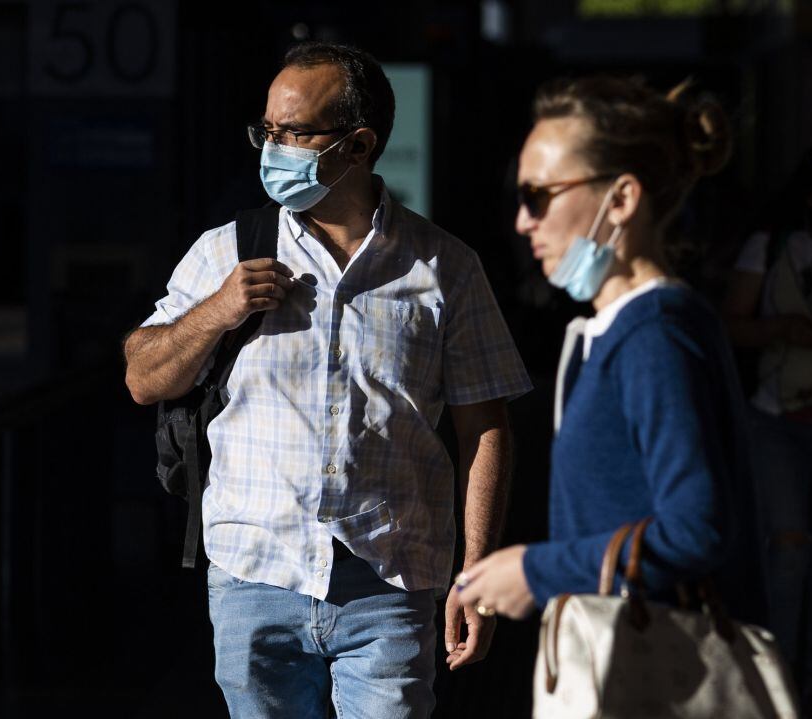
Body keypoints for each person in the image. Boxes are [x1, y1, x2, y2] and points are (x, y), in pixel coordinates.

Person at [123, 42, 531, 718]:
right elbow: (142, 376)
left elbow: (485, 427)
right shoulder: (228, 249)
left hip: (389, 581)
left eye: (293, 132)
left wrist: (477, 575)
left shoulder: (445, 268)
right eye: (267, 130)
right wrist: (219, 310)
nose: (271, 148)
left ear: (358, 144)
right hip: (254, 575)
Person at [455, 75, 763, 626]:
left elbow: (697, 528)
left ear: (621, 198)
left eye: (539, 196)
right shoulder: (622, 327)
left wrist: (534, 571)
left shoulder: (655, 333)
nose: (524, 220)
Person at [722, 140, 812, 717]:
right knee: (790, 552)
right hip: (778, 420)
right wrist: (784, 329)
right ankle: (777, 680)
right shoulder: (773, 246)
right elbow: (732, 324)